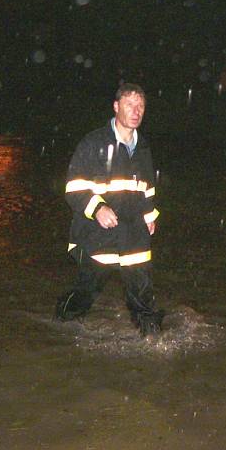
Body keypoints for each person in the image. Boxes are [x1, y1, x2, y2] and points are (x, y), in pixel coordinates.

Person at [55, 82, 164, 336]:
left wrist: (150, 217)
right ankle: (60, 327)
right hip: (97, 235)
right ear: (116, 107)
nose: (136, 111)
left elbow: (147, 189)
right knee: (85, 293)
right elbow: (73, 187)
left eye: (141, 106)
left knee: (143, 297)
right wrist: (98, 208)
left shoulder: (144, 148)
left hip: (134, 233)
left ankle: (154, 346)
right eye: (129, 104)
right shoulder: (93, 143)